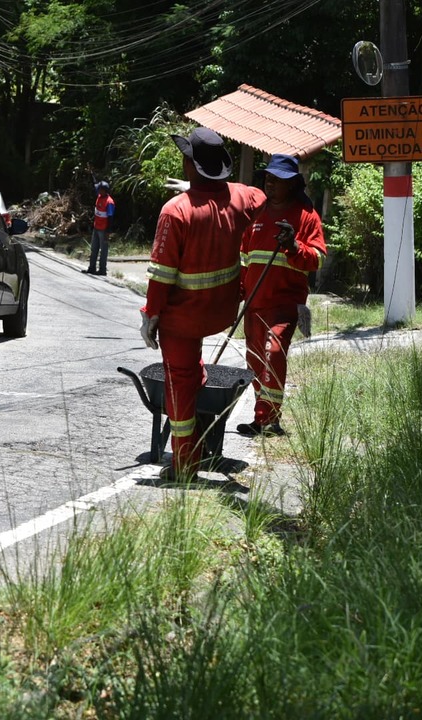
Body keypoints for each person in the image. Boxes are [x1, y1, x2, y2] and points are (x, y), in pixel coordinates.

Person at [139, 127, 266, 483]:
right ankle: (199, 427)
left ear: (190, 164)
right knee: (191, 372)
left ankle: (185, 464)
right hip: (222, 311)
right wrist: (205, 193)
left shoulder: (175, 212)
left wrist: (150, 316)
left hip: (182, 319)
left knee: (178, 384)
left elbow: (161, 276)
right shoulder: (241, 197)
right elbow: (262, 199)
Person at [237, 154, 327, 437]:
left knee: (273, 353)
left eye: (277, 179)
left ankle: (269, 420)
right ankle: (261, 416)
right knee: (255, 361)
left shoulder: (306, 216)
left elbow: (317, 260)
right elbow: (243, 259)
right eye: (268, 178)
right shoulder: (257, 214)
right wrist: (237, 294)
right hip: (254, 305)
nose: (270, 183)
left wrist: (294, 245)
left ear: (292, 184)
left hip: (285, 305)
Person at [84, 180, 116, 275]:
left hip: (103, 229)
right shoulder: (99, 197)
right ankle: (92, 268)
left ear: (103, 190)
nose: (97, 190)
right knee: (94, 248)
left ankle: (102, 270)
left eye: (99, 189)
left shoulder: (109, 202)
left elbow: (110, 217)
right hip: (96, 227)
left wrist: (108, 231)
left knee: (103, 250)